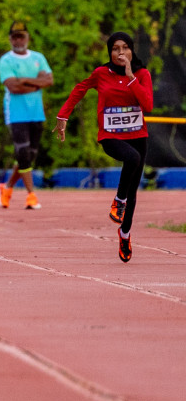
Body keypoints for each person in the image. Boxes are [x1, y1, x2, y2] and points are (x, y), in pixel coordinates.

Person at [55, 31, 152, 263]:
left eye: (125, 48)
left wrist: (130, 77)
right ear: (110, 52)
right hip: (110, 136)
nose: (121, 53)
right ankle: (119, 201)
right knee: (132, 159)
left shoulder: (141, 73)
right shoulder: (101, 73)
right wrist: (63, 116)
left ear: (132, 51)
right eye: (116, 48)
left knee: (134, 191)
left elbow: (147, 105)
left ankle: (125, 234)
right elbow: (80, 88)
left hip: (137, 135)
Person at [0, 23, 53, 211]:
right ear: (10, 39)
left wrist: (26, 81)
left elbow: (49, 80)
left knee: (30, 155)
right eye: (15, 37)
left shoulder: (38, 58)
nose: (18, 40)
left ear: (28, 37)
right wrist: (37, 83)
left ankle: (8, 187)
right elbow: (13, 87)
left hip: (36, 112)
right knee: (22, 152)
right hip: (16, 113)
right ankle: (31, 195)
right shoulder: (6, 60)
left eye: (21, 36)